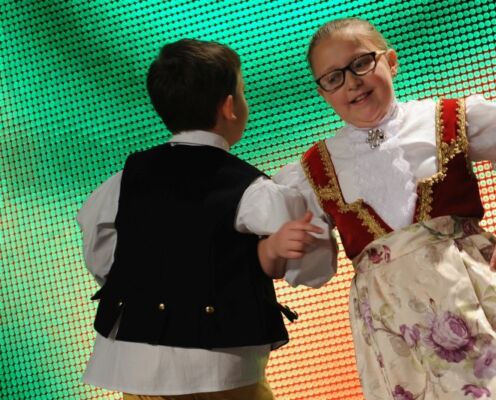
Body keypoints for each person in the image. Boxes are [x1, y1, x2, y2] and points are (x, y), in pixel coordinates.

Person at [274, 17, 496, 399]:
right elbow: (303, 258)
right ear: (323, 92)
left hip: (477, 300)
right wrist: (276, 247)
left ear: (390, 61)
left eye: (361, 63)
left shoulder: (442, 119)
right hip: (397, 327)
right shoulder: (314, 170)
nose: (352, 82)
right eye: (333, 78)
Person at [77, 39, 336, 400]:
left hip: (132, 362)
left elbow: (99, 245)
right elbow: (314, 268)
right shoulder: (251, 189)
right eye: (243, 92)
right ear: (230, 107)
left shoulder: (124, 179)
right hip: (219, 366)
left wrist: (143, 284)